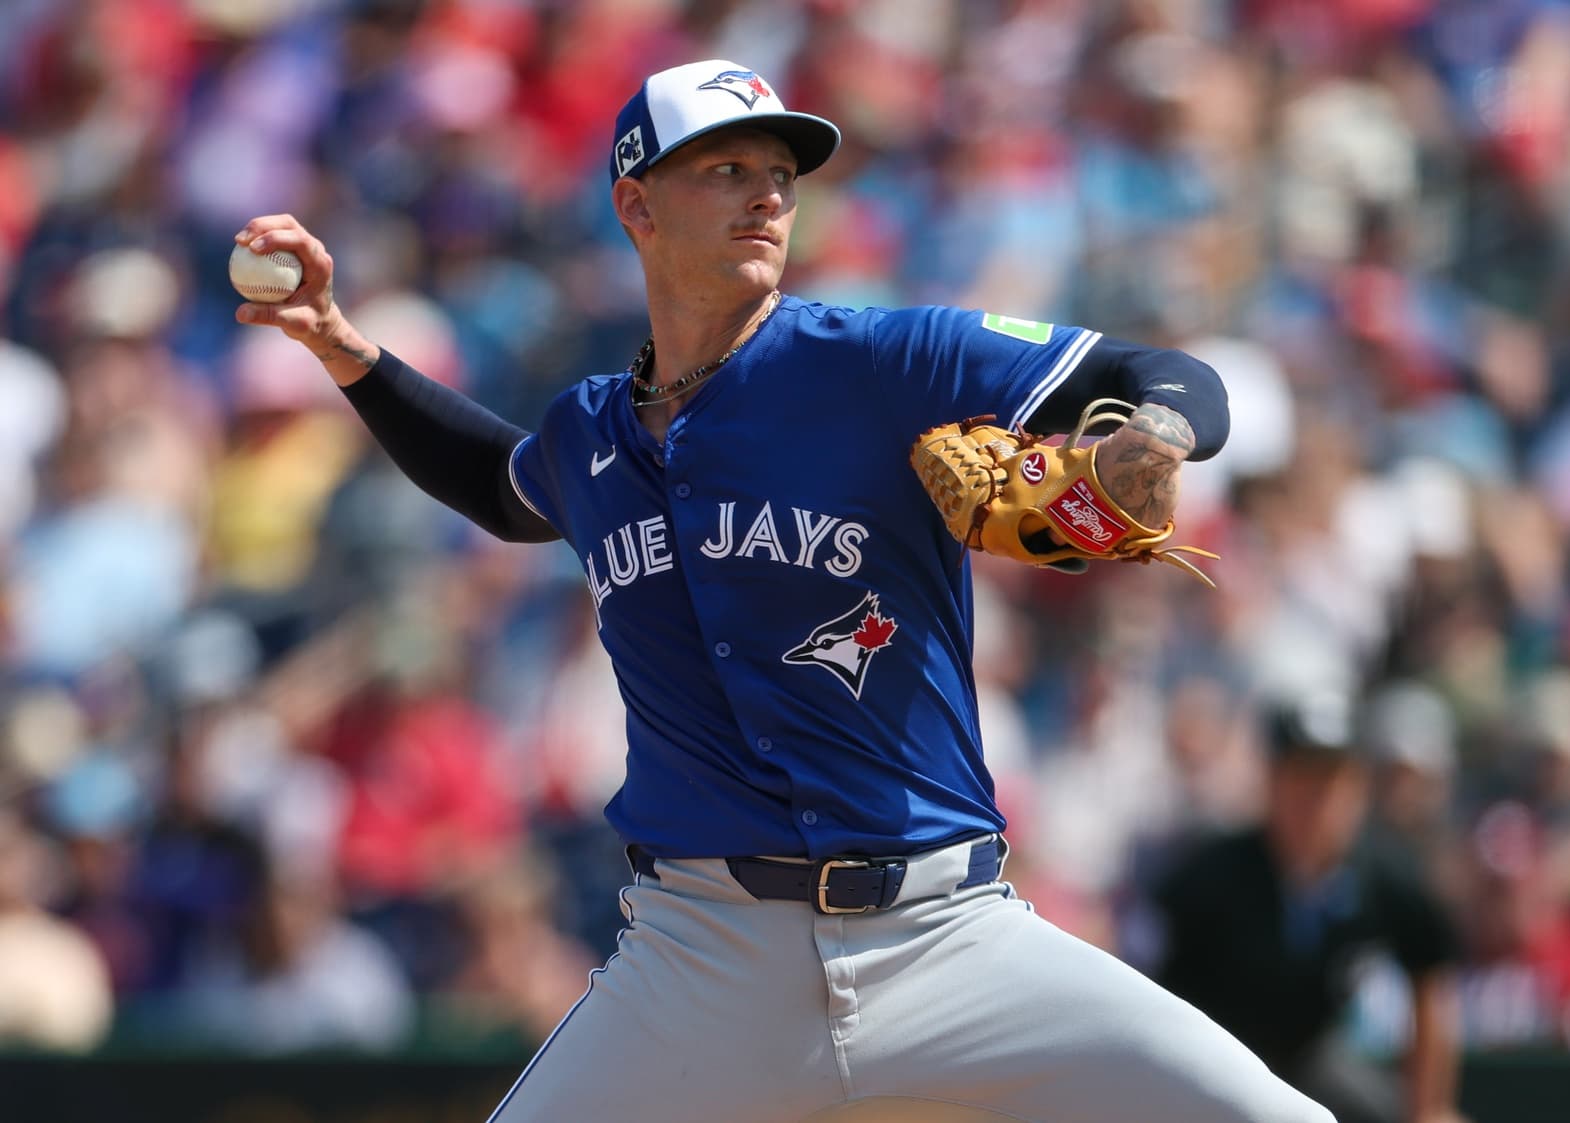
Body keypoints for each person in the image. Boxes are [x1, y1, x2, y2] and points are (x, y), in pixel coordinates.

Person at [232, 58, 1333, 1123]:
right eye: (722, 169)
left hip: (943, 935)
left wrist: (1155, 437)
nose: (764, 192)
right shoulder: (589, 434)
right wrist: (341, 347)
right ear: (636, 203)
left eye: (779, 172)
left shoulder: (882, 362)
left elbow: (1171, 376)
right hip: (700, 956)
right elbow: (496, 483)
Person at [1140, 688, 1464, 1123]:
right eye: (1300, 777)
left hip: (1312, 1058)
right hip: (1212, 1064)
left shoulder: (1385, 874)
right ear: (1271, 781)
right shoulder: (1210, 877)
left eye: (1330, 779)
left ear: (1357, 787)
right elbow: (1151, 996)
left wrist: (1430, 1110)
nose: (1316, 800)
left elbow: (1430, 979)